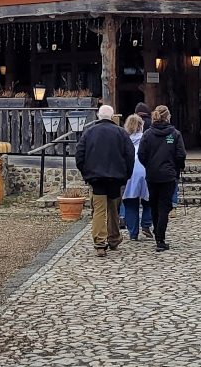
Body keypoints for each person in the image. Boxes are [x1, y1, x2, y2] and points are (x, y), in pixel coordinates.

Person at [74, 103, 135, 257]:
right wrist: (127, 174)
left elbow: (79, 155)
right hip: (116, 177)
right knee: (113, 209)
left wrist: (86, 172)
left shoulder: (89, 133)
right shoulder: (121, 133)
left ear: (98, 116)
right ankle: (114, 238)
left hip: (96, 178)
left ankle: (100, 243)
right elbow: (129, 155)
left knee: (99, 211)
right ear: (112, 116)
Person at [137, 104, 186, 252]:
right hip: (169, 175)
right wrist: (177, 167)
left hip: (152, 175)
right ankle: (160, 237)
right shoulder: (175, 134)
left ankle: (158, 232)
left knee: (154, 204)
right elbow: (180, 154)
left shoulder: (147, 134)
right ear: (167, 117)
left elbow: (141, 154)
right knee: (164, 206)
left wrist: (149, 165)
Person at [121, 114, 153, 240]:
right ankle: (146, 223)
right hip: (145, 170)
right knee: (148, 200)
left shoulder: (124, 140)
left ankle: (133, 232)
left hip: (130, 172)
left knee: (130, 203)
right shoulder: (147, 139)